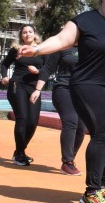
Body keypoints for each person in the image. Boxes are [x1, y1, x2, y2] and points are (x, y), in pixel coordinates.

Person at [19, 0, 105, 203]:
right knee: (104, 131)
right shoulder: (86, 20)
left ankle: (102, 184)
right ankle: (91, 192)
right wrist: (37, 49)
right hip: (91, 84)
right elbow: (62, 39)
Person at [35, 46, 87, 175]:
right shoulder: (63, 46)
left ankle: (71, 159)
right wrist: (37, 90)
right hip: (64, 88)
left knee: (81, 128)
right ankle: (67, 162)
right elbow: (48, 68)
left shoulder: (90, 45)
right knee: (71, 121)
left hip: (83, 92)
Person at [0, 24, 44, 166]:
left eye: (30, 31)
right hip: (17, 86)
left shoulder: (41, 50)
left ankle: (19, 151)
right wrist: (4, 76)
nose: (27, 34)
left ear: (35, 34)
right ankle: (19, 155)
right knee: (22, 119)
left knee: (32, 122)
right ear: (21, 36)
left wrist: (38, 71)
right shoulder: (16, 49)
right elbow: (4, 64)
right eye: (24, 32)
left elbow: (48, 69)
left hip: (34, 88)